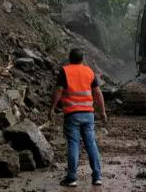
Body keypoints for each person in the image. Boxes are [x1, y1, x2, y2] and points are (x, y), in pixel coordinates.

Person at [49, 48, 107, 187]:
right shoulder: (89, 71)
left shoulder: (65, 71)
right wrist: (102, 112)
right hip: (88, 115)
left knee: (73, 144)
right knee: (91, 144)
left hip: (72, 114)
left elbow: (58, 91)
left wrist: (52, 108)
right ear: (82, 59)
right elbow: (98, 94)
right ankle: (97, 177)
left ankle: (72, 178)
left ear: (70, 58)